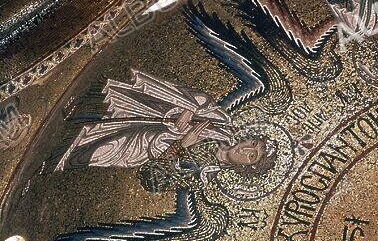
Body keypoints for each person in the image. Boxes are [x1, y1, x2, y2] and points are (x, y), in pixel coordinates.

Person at [54, 69, 276, 189]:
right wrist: (190, 109)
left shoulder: (202, 177)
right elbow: (204, 101)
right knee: (118, 104)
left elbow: (152, 178)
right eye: (253, 144)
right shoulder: (222, 125)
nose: (247, 150)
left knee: (104, 147)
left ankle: (60, 142)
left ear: (246, 168)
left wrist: (181, 145)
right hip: (155, 114)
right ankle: (75, 104)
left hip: (143, 147)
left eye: (252, 156)